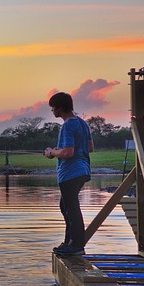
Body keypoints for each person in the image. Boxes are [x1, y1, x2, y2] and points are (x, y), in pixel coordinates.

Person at [43, 92, 93, 256]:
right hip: (83, 170)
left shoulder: (67, 126)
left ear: (60, 107)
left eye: (53, 108)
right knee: (66, 206)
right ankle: (69, 243)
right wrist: (58, 152)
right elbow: (90, 148)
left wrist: (52, 152)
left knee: (71, 208)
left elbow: (68, 152)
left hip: (70, 173)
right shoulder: (82, 123)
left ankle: (76, 246)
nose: (52, 111)